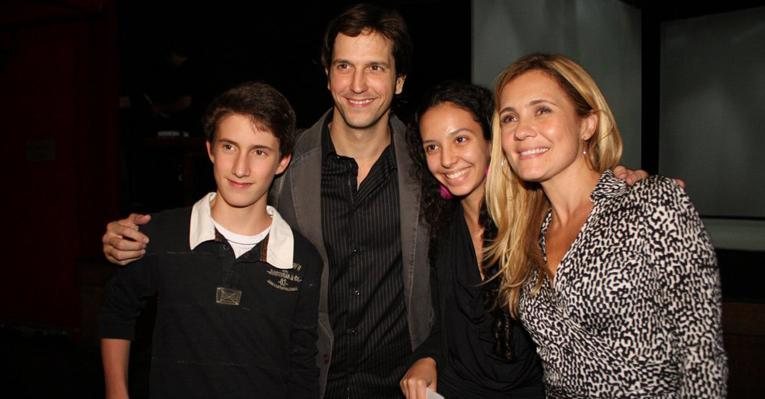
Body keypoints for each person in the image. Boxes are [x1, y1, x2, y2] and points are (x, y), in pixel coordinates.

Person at [102, 4, 430, 398]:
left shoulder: (430, 166)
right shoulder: (284, 163)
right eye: (344, 66)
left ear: (399, 81)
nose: (357, 84)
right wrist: (129, 239)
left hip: (401, 387)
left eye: (375, 67)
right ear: (327, 75)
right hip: (313, 383)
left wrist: (436, 356)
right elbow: (224, 207)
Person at [486, 53, 728, 397]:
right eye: (510, 117)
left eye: (542, 110)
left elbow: (702, 357)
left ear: (588, 124)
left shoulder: (650, 202)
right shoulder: (525, 232)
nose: (522, 130)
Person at [99, 81, 322, 399]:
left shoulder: (302, 258)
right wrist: (116, 392)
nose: (241, 168)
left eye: (259, 152)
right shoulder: (161, 235)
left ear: (282, 161)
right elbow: (117, 310)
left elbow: (301, 365)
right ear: (210, 149)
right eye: (229, 146)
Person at [399, 81, 545, 399]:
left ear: (491, 141)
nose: (447, 159)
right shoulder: (442, 230)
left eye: (461, 139)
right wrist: (426, 358)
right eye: (432, 147)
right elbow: (446, 328)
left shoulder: (535, 219)